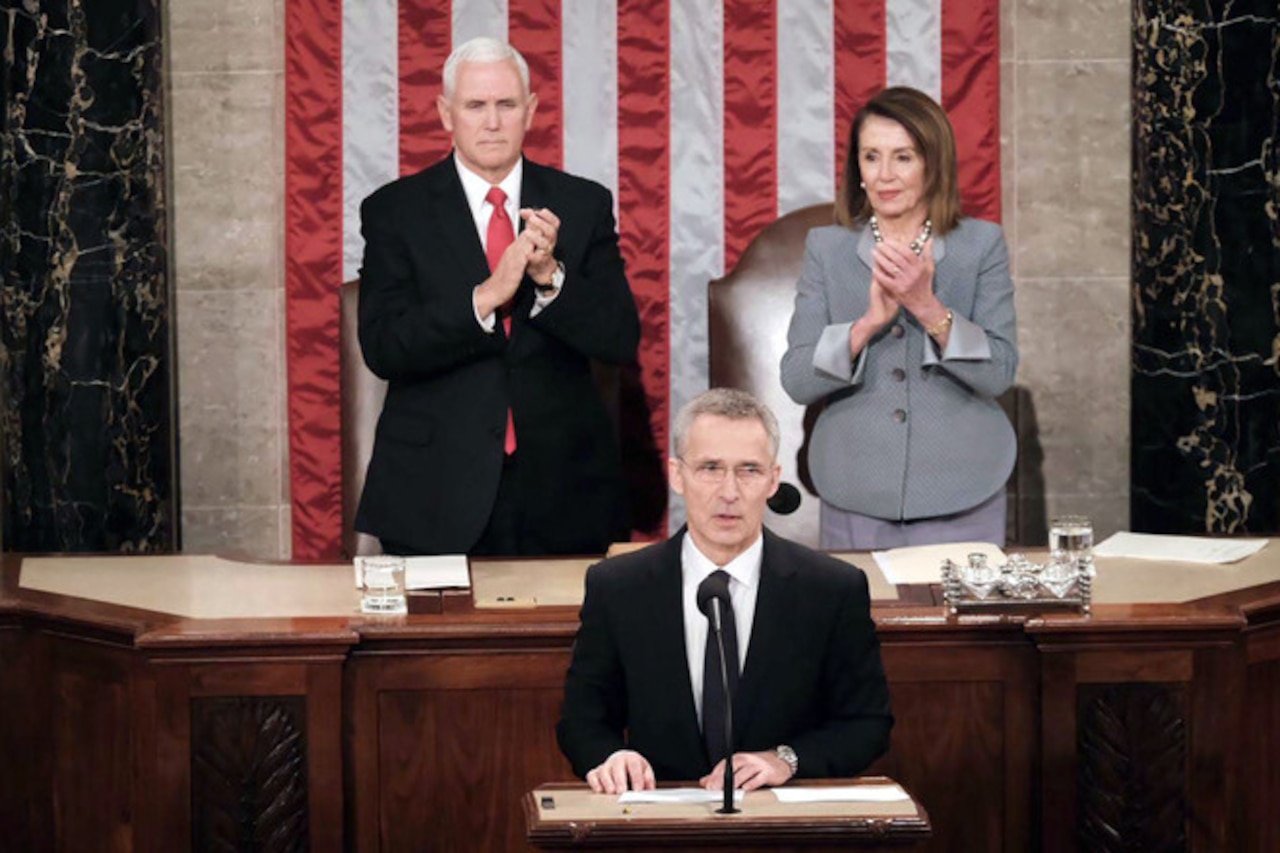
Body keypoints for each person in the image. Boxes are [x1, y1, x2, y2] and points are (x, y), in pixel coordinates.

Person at [355, 37, 640, 556]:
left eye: (506, 105)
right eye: (475, 106)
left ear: (530, 111)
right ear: (446, 114)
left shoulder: (582, 203)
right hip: (433, 491)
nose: (492, 122)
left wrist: (550, 275)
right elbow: (384, 346)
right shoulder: (395, 211)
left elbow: (619, 338)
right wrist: (486, 297)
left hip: (566, 491)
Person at [556, 388, 893, 793]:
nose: (729, 492)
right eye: (710, 468)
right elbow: (582, 721)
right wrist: (611, 757)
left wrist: (786, 760)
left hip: (782, 826)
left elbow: (866, 724)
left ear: (772, 480)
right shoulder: (617, 586)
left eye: (748, 470)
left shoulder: (831, 588)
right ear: (677, 475)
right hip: (661, 822)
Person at [780, 86, 1017, 550]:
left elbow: (999, 374)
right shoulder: (826, 250)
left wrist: (927, 307)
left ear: (933, 163)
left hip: (965, 487)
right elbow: (797, 381)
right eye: (871, 157)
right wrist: (866, 325)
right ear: (858, 168)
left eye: (903, 157)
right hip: (855, 486)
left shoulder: (981, 245)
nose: (885, 175)